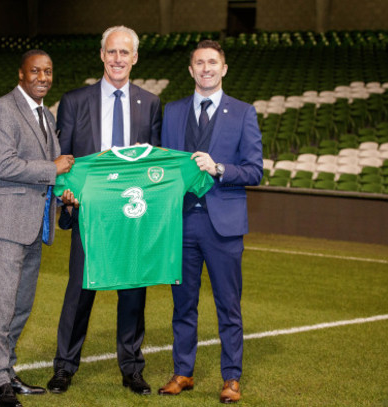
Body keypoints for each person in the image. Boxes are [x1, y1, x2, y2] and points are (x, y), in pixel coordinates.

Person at [47, 25, 162, 396]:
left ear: (135, 58)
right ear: (101, 55)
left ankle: (132, 368)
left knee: (132, 294)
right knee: (80, 293)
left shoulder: (151, 103)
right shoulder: (75, 101)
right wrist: (65, 194)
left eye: (124, 53)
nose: (117, 59)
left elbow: (153, 166)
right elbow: (64, 157)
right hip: (89, 214)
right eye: (111, 52)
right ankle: (64, 367)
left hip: (132, 215)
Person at [157, 40, 263, 404]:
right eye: (199, 63)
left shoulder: (244, 112)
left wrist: (218, 168)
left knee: (228, 305)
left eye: (212, 62)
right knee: (182, 304)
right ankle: (183, 372)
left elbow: (255, 170)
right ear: (190, 70)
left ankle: (231, 378)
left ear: (224, 68)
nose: (206, 68)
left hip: (224, 227)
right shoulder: (171, 112)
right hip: (180, 223)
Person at [0, 49, 75, 407]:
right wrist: (54, 168)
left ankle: (7, 371)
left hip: (34, 225)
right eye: (36, 71)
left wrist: (65, 197)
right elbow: (4, 165)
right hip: (4, 222)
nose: (43, 77)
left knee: (20, 305)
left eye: (48, 71)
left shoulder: (46, 115)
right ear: (21, 74)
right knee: (1, 304)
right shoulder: (1, 110)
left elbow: (55, 175)